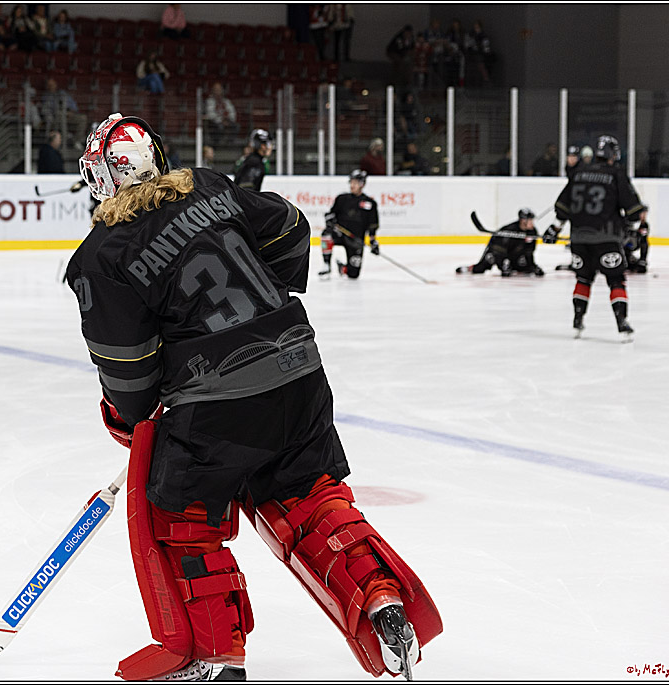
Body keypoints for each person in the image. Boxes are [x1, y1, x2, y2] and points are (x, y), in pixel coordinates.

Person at [66, 112, 441, 682]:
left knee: (180, 517)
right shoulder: (211, 188)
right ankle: (379, 598)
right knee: (308, 498)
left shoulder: (103, 254)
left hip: (219, 401)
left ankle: (214, 656)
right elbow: (290, 227)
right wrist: (266, 301)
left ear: (101, 178)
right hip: (299, 368)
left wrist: (130, 413)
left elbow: (129, 371)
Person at [545, 135, 645, 340]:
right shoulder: (616, 174)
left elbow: (563, 206)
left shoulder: (579, 172)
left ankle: (577, 320)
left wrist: (554, 229)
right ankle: (621, 322)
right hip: (606, 238)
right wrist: (630, 227)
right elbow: (633, 209)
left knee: (583, 278)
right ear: (613, 154)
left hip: (579, 238)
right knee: (616, 279)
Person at [320, 169, 380, 278]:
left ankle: (342, 268)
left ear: (362, 184)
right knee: (326, 234)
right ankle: (326, 265)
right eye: (351, 182)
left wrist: (373, 241)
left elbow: (372, 224)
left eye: (356, 183)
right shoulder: (342, 199)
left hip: (356, 240)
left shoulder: (370, 203)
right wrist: (330, 219)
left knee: (353, 274)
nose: (352, 185)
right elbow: (331, 214)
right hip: (340, 234)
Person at [456, 208, 544, 277]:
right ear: (523, 220)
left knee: (525, 267)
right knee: (487, 261)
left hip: (514, 256)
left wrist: (532, 266)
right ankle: (470, 268)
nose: (532, 222)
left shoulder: (532, 232)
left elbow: (529, 251)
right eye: (530, 220)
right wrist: (503, 265)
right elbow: (497, 249)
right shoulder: (509, 230)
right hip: (498, 254)